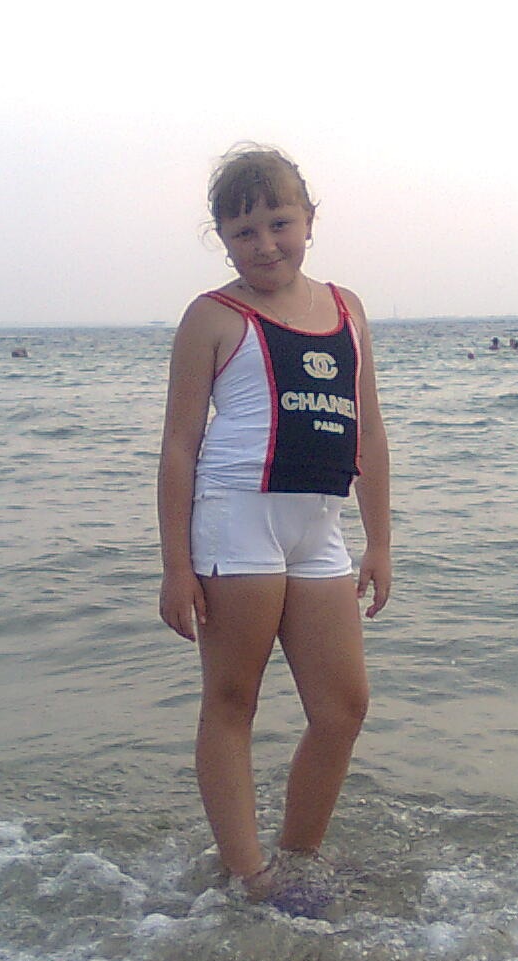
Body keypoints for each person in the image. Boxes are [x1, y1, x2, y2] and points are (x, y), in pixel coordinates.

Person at [157, 145, 392, 918]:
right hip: (236, 524)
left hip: (319, 529)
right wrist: (176, 566)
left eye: (279, 224)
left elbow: (370, 432)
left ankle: (299, 859)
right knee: (233, 701)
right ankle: (249, 876)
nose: (265, 245)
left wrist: (380, 542)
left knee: (342, 709)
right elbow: (179, 445)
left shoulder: (347, 309)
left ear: (309, 220)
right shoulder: (212, 318)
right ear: (222, 240)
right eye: (244, 232)